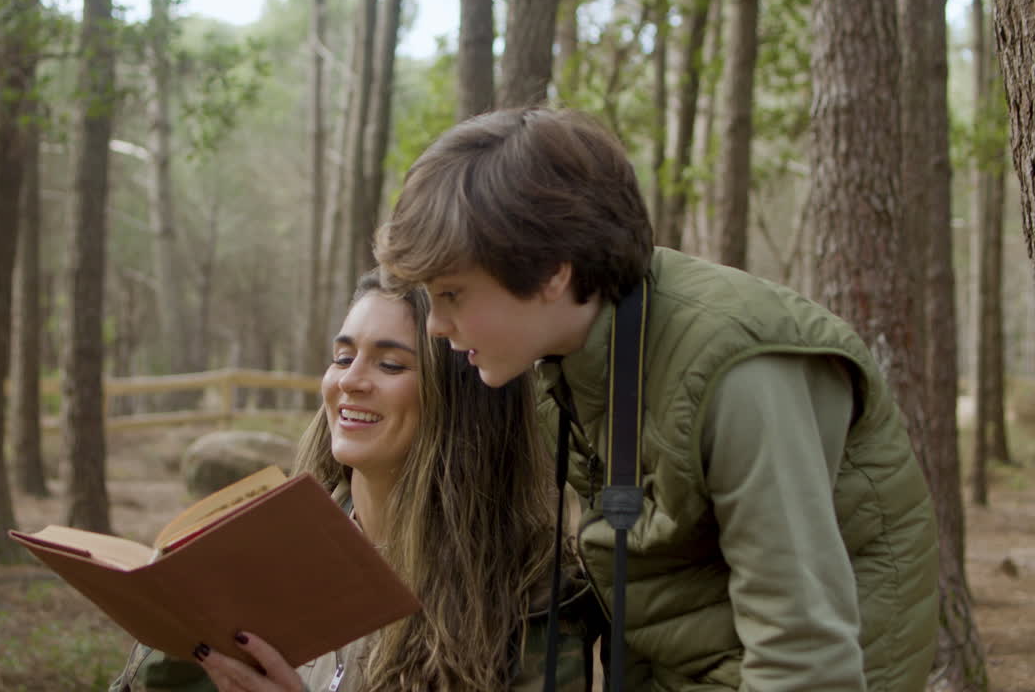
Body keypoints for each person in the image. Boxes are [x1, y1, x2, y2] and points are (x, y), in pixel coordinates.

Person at [374, 107, 939, 691]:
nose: (435, 324)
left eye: (452, 294)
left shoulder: (739, 371)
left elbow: (805, 653)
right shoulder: (573, 358)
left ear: (550, 273)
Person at [187, 271, 596, 692]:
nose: (349, 381)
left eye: (390, 364)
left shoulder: (530, 596)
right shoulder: (283, 548)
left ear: (462, 400)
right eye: (343, 358)